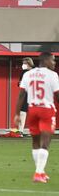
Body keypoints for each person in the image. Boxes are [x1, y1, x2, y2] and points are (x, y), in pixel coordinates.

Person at [14, 52, 59, 183]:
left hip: (32, 109)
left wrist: (17, 114)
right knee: (45, 142)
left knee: (35, 142)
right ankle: (38, 173)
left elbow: (21, 94)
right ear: (45, 61)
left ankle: (40, 171)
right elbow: (57, 95)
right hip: (46, 110)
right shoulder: (52, 75)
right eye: (53, 60)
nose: (54, 63)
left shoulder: (28, 74)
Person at [17, 57, 35, 134]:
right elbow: (20, 83)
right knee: (22, 111)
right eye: (23, 63)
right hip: (25, 94)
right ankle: (20, 130)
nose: (23, 65)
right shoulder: (23, 72)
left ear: (29, 64)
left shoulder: (35, 72)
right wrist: (19, 83)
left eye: (24, 63)